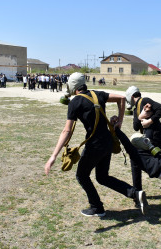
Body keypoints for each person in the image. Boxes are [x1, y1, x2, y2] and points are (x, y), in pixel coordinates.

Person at [44, 72, 148, 217]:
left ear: (73, 86)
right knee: (102, 177)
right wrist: (120, 120)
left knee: (81, 175)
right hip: (107, 143)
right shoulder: (97, 94)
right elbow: (122, 98)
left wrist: (53, 156)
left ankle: (97, 207)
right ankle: (135, 194)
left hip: (94, 146)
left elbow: (66, 130)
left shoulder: (75, 102)